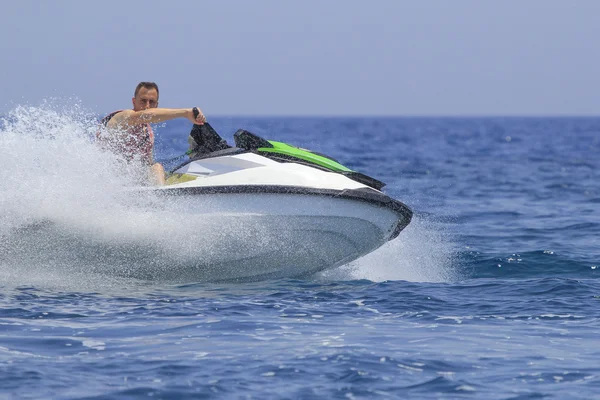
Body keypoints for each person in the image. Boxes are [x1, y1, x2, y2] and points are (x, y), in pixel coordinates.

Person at [98, 81, 207, 185]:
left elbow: (145, 167)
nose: (147, 106)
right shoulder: (123, 117)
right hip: (105, 181)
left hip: (128, 185)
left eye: (152, 102)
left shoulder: (147, 135)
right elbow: (145, 115)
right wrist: (186, 113)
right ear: (133, 101)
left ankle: (161, 200)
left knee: (156, 168)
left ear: (156, 105)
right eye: (143, 101)